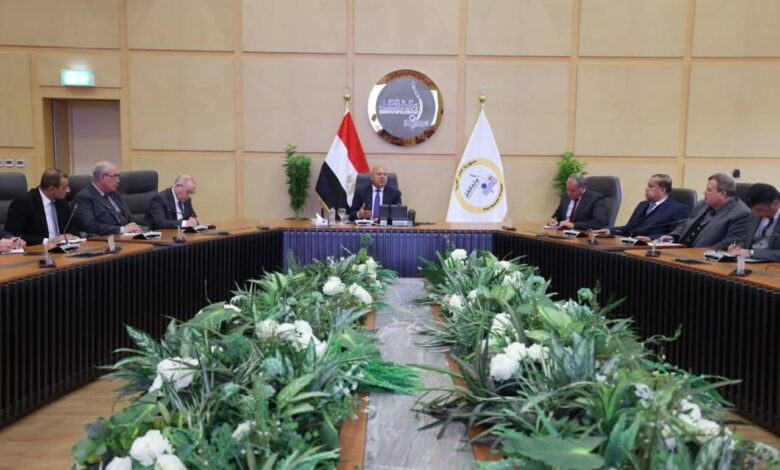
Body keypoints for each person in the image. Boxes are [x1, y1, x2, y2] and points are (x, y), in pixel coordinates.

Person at [652, 173, 749, 250]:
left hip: (703, 260)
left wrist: (700, 254)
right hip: (680, 251)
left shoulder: (740, 213)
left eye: (709, 190)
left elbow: (728, 243)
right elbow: (686, 224)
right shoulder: (702, 204)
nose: (704, 192)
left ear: (722, 194)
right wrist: (672, 236)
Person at [593, 174, 689, 239]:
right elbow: (628, 228)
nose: (646, 189)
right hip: (631, 245)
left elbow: (674, 235)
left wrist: (650, 238)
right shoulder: (642, 205)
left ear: (662, 190)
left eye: (651, 186)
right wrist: (610, 231)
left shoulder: (678, 208)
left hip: (652, 249)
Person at [5, 169, 75, 245]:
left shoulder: (62, 200)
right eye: (64, 188)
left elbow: (71, 227)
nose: (68, 190)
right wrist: (47, 241)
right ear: (51, 189)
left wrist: (72, 236)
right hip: (37, 249)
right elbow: (12, 235)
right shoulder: (23, 203)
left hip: (63, 248)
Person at [74, 161, 144, 235]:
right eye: (114, 177)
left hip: (127, 236)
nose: (118, 180)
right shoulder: (83, 197)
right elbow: (90, 226)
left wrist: (139, 227)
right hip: (106, 238)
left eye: (118, 176)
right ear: (102, 177)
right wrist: (122, 230)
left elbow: (128, 216)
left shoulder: (114, 193)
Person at [727, 183, 780, 261]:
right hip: (747, 262)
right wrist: (738, 246)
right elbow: (746, 239)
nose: (756, 214)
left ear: (775, 203)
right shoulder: (755, 213)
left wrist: (752, 253)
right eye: (754, 210)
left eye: (760, 210)